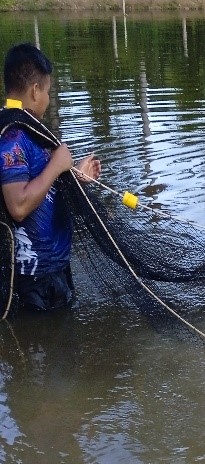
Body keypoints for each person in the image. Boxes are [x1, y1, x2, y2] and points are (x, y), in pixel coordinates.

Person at [0, 43, 101, 312]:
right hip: (31, 278)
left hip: (53, 268)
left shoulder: (29, 127)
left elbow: (41, 182)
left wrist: (75, 177)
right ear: (35, 91)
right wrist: (57, 166)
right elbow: (18, 206)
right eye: (47, 91)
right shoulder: (12, 137)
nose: (47, 98)